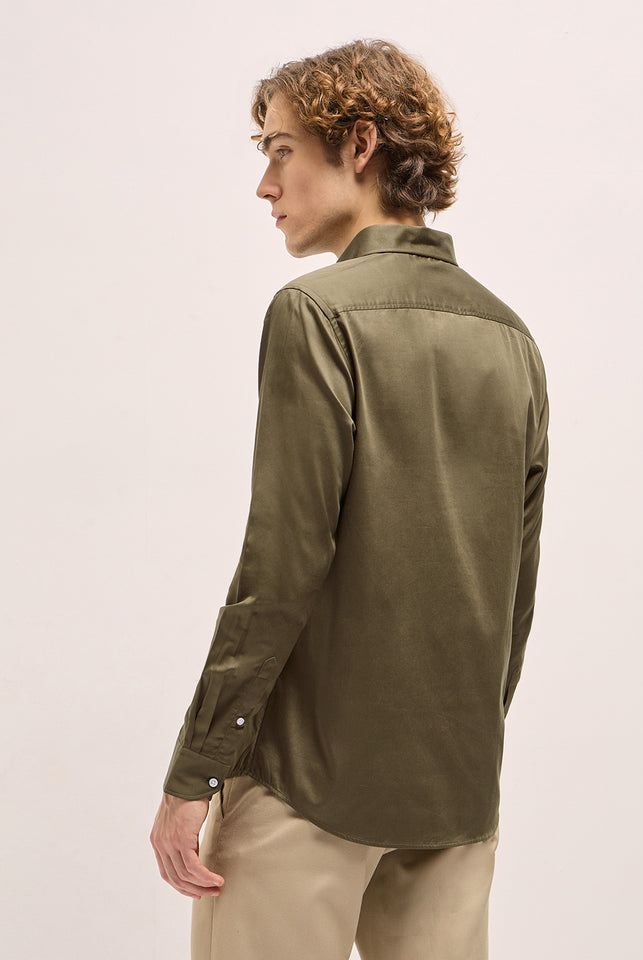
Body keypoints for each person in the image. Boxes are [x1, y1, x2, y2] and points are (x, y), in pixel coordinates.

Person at [150, 37, 549, 960]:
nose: (266, 185)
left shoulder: (316, 313)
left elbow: (280, 566)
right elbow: (514, 594)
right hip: (455, 797)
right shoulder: (511, 338)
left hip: (306, 787)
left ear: (359, 144)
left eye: (281, 150)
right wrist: (465, 747)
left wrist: (197, 770)